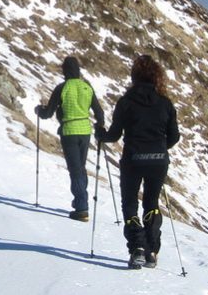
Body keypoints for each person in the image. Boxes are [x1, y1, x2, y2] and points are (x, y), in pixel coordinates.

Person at [95, 54, 180, 270]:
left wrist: (100, 134)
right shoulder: (165, 103)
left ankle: (137, 249)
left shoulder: (126, 102)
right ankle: (152, 250)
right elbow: (174, 136)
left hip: (133, 158)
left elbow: (114, 135)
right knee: (151, 203)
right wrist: (161, 147)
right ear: (157, 77)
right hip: (158, 160)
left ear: (135, 76)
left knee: (130, 203)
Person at [35, 56, 104, 222]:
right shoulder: (87, 87)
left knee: (75, 169)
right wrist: (99, 127)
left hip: (69, 131)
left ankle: (81, 208)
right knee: (80, 167)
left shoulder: (62, 88)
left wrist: (39, 110)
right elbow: (99, 112)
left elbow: (48, 113)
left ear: (64, 70)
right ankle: (81, 200)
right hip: (85, 130)